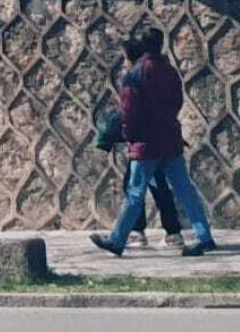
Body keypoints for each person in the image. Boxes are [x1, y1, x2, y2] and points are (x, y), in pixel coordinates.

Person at [91, 30, 218, 257]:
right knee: (186, 191)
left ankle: (117, 240)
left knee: (134, 193)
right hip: (170, 139)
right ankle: (204, 236)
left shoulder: (136, 75)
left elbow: (128, 112)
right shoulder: (169, 71)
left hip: (145, 145)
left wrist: (131, 136)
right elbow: (177, 101)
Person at [92, 106, 185, 249]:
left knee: (134, 191)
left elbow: (123, 119)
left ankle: (137, 233)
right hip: (160, 142)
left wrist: (104, 145)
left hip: (144, 149)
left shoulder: (135, 88)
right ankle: (172, 233)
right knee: (159, 188)